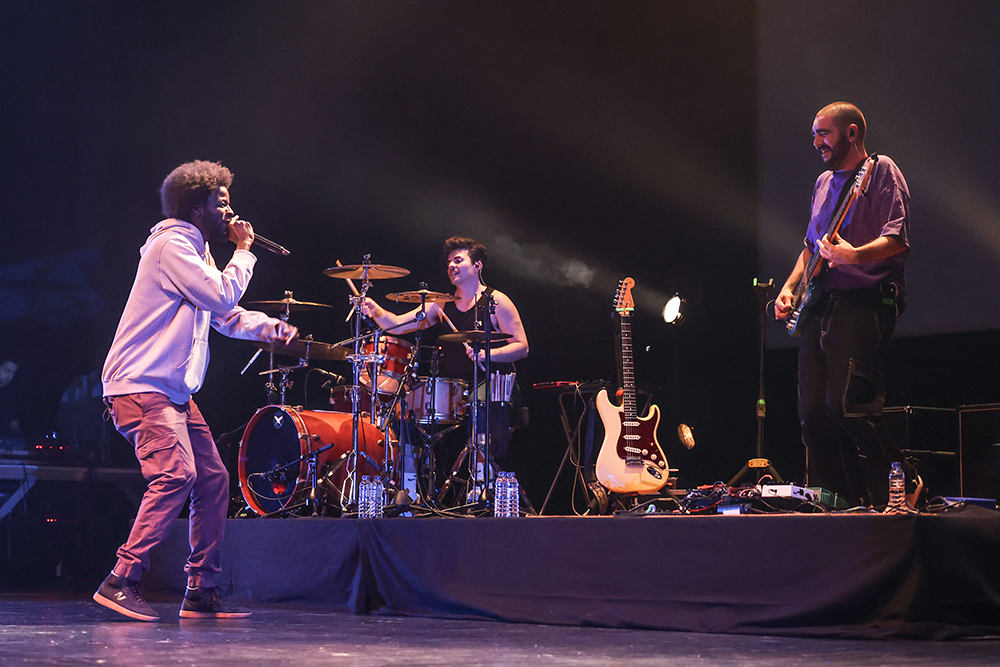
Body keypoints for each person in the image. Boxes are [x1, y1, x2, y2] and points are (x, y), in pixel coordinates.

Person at [94, 160, 298, 621]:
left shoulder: (196, 252)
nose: (230, 212)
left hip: (171, 391)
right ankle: (120, 579)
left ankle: (200, 591)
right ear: (195, 207)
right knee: (176, 475)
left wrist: (268, 327)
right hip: (142, 385)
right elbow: (222, 295)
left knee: (212, 480)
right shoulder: (171, 245)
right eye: (221, 203)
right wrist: (244, 250)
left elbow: (224, 313)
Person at [774, 102, 917, 508]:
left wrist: (854, 256)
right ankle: (848, 499)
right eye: (814, 134)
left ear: (851, 133)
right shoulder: (823, 182)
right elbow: (811, 248)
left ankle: (906, 480)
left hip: (866, 298)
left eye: (824, 133)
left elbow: (898, 238)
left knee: (848, 403)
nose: (816, 142)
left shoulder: (881, 170)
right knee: (813, 412)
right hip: (822, 301)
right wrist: (789, 287)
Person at [359, 237, 529, 492]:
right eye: (449, 262)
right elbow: (397, 325)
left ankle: (480, 487)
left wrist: (487, 355)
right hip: (457, 388)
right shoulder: (442, 304)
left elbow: (522, 346)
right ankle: (410, 489)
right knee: (405, 412)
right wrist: (375, 310)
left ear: (477, 265)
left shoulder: (496, 301)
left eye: (458, 260)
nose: (451, 265)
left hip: (495, 383)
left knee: (480, 407)